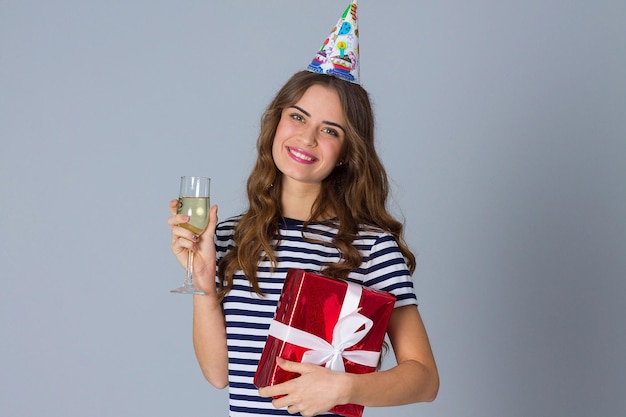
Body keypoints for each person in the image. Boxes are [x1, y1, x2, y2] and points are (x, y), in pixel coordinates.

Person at [168, 3, 438, 416]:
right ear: (277, 123)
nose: (307, 138)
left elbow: (424, 379)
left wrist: (343, 388)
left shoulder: (373, 247)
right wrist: (203, 284)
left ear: (348, 152)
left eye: (330, 130)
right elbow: (219, 374)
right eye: (298, 117)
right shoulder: (228, 238)